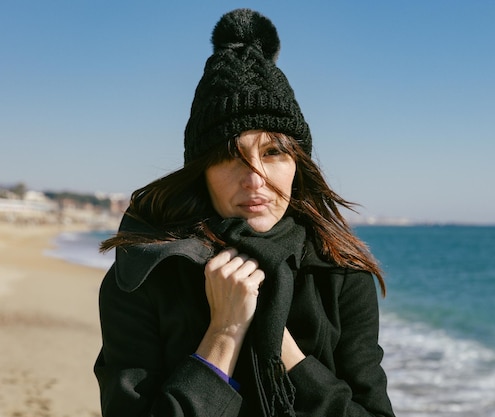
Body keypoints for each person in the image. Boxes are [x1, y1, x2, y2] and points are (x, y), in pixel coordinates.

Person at [94, 8, 395, 417]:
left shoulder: (341, 273)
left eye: (273, 153)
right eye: (229, 157)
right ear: (202, 172)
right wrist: (225, 331)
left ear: (297, 165)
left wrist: (280, 344)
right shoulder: (144, 275)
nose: (254, 180)